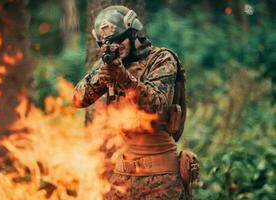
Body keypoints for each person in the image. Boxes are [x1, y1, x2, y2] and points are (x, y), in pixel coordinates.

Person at [73, 5, 197, 200]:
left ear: (133, 33)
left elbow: (156, 106)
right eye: (107, 43)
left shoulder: (162, 59)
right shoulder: (111, 63)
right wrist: (102, 77)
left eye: (119, 39)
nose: (115, 46)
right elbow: (78, 99)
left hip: (160, 179)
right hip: (121, 178)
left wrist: (124, 79)